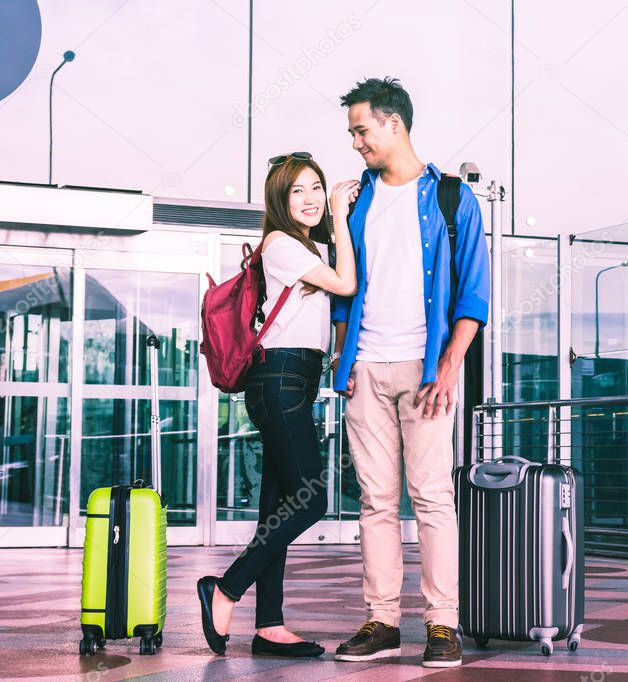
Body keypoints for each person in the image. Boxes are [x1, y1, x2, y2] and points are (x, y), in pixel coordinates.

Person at [330, 77, 490, 669]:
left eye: (360, 129)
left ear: (393, 123)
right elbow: (343, 288)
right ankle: (382, 622)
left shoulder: (452, 198)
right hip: (365, 367)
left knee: (432, 498)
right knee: (375, 500)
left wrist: (449, 366)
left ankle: (442, 624)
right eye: (352, 131)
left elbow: (474, 293)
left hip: (427, 371)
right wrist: (343, 354)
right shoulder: (357, 200)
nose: (354, 142)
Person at [197, 153, 359, 657]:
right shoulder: (282, 244)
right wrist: (339, 210)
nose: (310, 199)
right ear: (279, 201)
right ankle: (225, 589)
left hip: (294, 380)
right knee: (311, 499)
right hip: (280, 380)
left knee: (277, 506)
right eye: (299, 192)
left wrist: (337, 359)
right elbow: (348, 284)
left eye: (317, 188)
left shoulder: (303, 246)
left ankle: (268, 625)